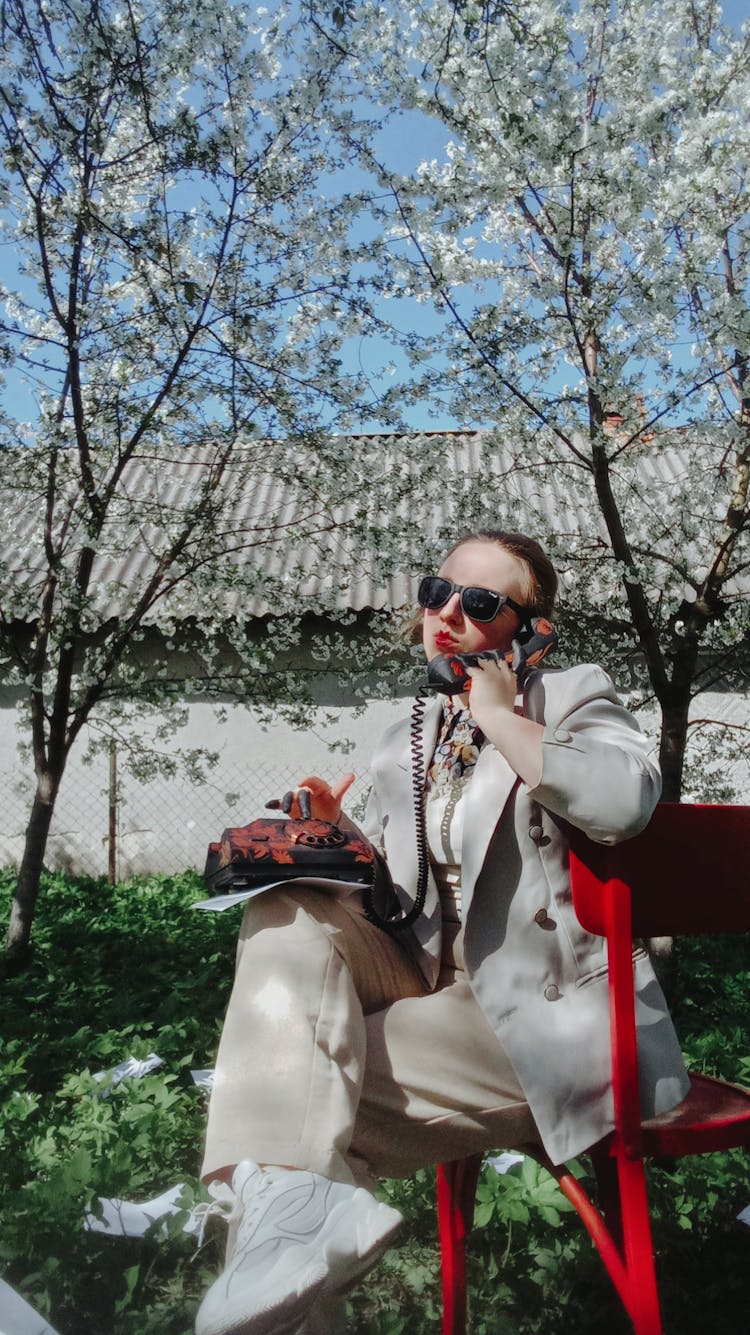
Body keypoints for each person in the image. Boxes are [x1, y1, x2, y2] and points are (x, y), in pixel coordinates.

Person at [195, 530, 689, 1335]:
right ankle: (294, 1207)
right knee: (282, 908)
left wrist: (500, 715)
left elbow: (624, 799)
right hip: (431, 984)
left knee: (293, 1107)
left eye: (482, 603)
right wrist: (341, 833)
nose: (448, 614)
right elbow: (404, 896)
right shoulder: (410, 734)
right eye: (437, 591)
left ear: (533, 630)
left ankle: (289, 1217)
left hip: (546, 1015)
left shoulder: (569, 696)